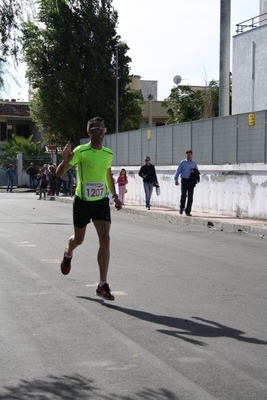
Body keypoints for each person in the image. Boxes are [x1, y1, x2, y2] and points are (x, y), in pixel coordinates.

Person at [56, 116, 122, 300]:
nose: (101, 133)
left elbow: (107, 175)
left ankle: (102, 284)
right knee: (79, 239)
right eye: (96, 130)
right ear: (89, 132)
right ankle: (68, 253)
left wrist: (115, 196)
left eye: (103, 129)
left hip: (101, 202)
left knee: (106, 240)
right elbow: (59, 173)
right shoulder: (81, 151)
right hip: (83, 202)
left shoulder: (108, 154)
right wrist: (64, 161)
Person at [174, 150, 199, 216]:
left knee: (190, 196)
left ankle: (188, 211)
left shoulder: (194, 163)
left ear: (192, 155)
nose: (188, 156)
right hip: (184, 180)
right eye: (187, 155)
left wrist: (194, 171)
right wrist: (176, 179)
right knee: (184, 195)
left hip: (191, 181)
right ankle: (182, 207)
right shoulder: (182, 162)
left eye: (189, 155)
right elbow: (178, 171)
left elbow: (197, 173)